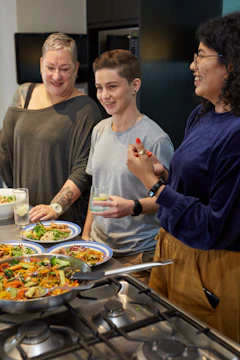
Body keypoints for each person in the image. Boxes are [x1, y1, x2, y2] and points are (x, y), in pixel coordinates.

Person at [127, 12, 240, 342]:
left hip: (212, 267)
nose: (192, 65)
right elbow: (197, 183)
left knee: (202, 346)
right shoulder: (202, 114)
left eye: (201, 56)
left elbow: (211, 227)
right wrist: (165, 172)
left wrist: (154, 184)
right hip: (171, 250)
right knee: (164, 339)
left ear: (231, 64)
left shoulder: (236, 134)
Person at [81, 49, 174, 281]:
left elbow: (170, 201)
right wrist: (85, 235)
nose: (104, 95)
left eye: (112, 86)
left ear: (135, 85)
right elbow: (96, 190)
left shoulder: (155, 139)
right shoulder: (99, 130)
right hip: (98, 251)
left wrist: (131, 206)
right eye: (99, 88)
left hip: (138, 256)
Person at [0, 33, 102, 229]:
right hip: (24, 218)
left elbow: (84, 170)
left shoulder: (86, 109)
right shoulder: (24, 93)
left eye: (64, 69)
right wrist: (17, 201)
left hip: (63, 224)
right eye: (50, 68)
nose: (56, 76)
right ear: (40, 64)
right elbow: (4, 149)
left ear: (76, 69)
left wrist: (55, 207)